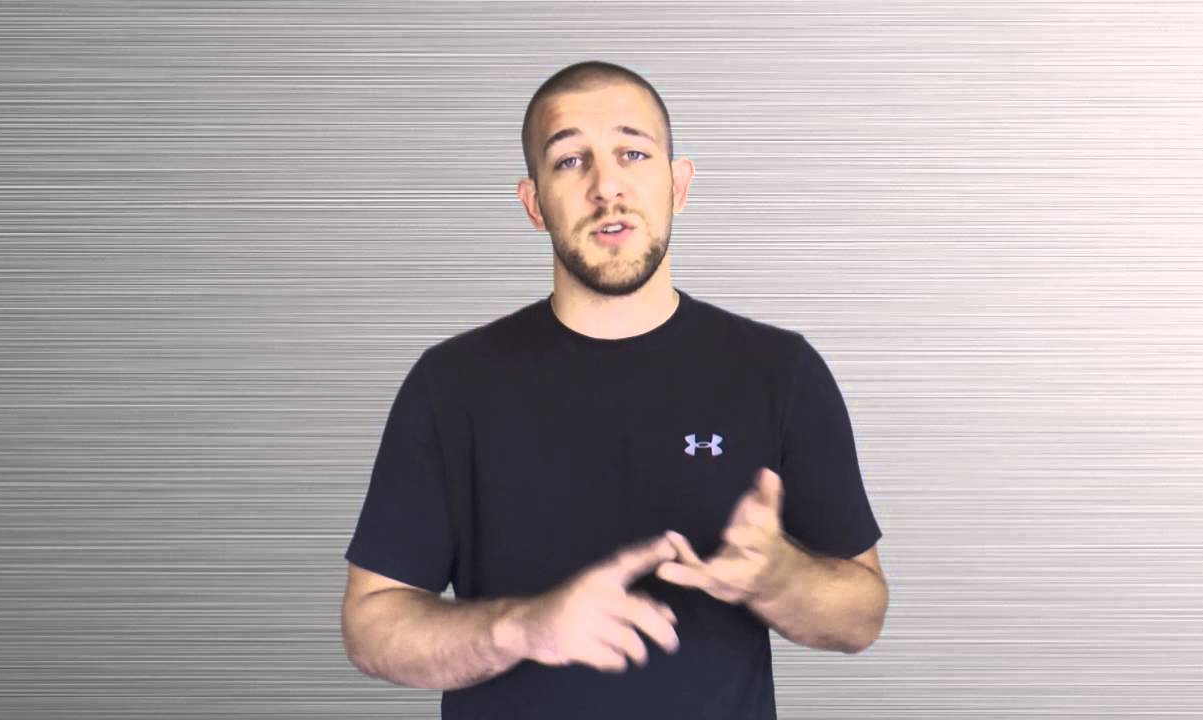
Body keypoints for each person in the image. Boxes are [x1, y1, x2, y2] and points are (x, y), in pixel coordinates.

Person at [340, 60, 889, 719]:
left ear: (678, 185)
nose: (606, 186)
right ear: (534, 203)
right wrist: (525, 628)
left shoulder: (781, 371)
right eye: (570, 161)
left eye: (633, 153)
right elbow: (371, 626)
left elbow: (862, 616)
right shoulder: (450, 386)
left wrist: (779, 579)